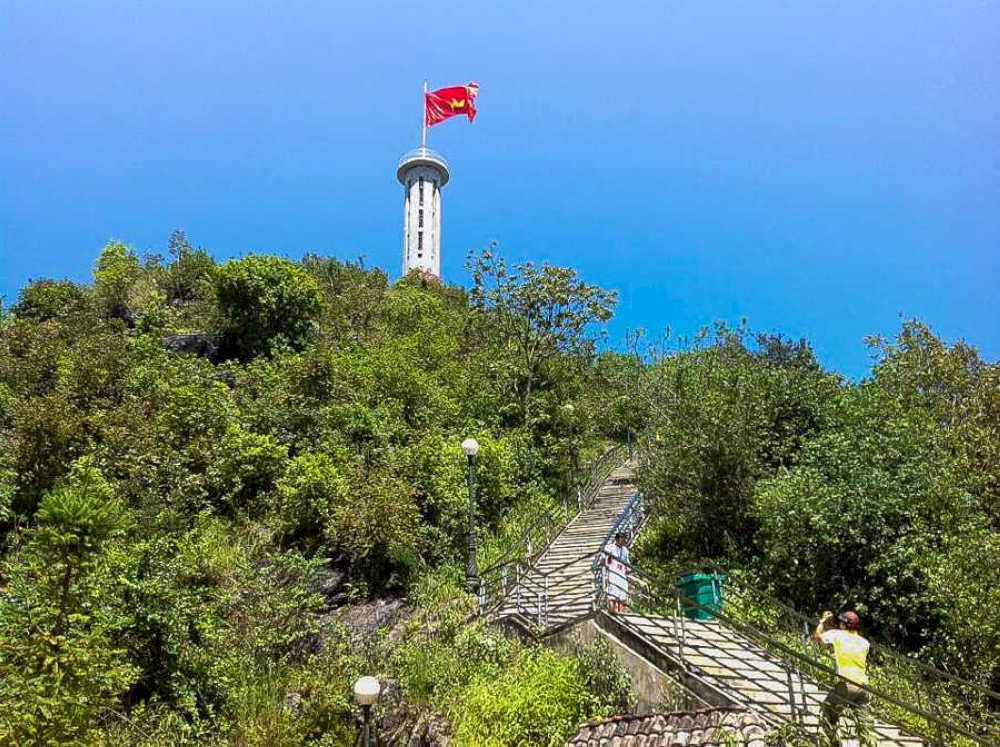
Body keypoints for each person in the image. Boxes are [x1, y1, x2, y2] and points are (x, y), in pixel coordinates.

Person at [813, 609, 871, 745]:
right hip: (864, 684)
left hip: (846, 682)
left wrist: (823, 621)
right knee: (864, 722)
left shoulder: (836, 635)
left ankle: (833, 743)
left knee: (828, 712)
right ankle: (868, 743)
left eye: (840, 622)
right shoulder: (865, 642)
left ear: (844, 624)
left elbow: (817, 636)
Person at [604, 532, 630, 613]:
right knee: (613, 594)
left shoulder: (625, 550)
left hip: (622, 574)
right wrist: (606, 574)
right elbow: (605, 560)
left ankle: (623, 614)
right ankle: (613, 613)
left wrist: (628, 569)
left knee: (623, 595)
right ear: (617, 539)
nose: (624, 541)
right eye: (622, 539)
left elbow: (627, 563)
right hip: (613, 573)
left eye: (625, 539)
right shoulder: (610, 548)